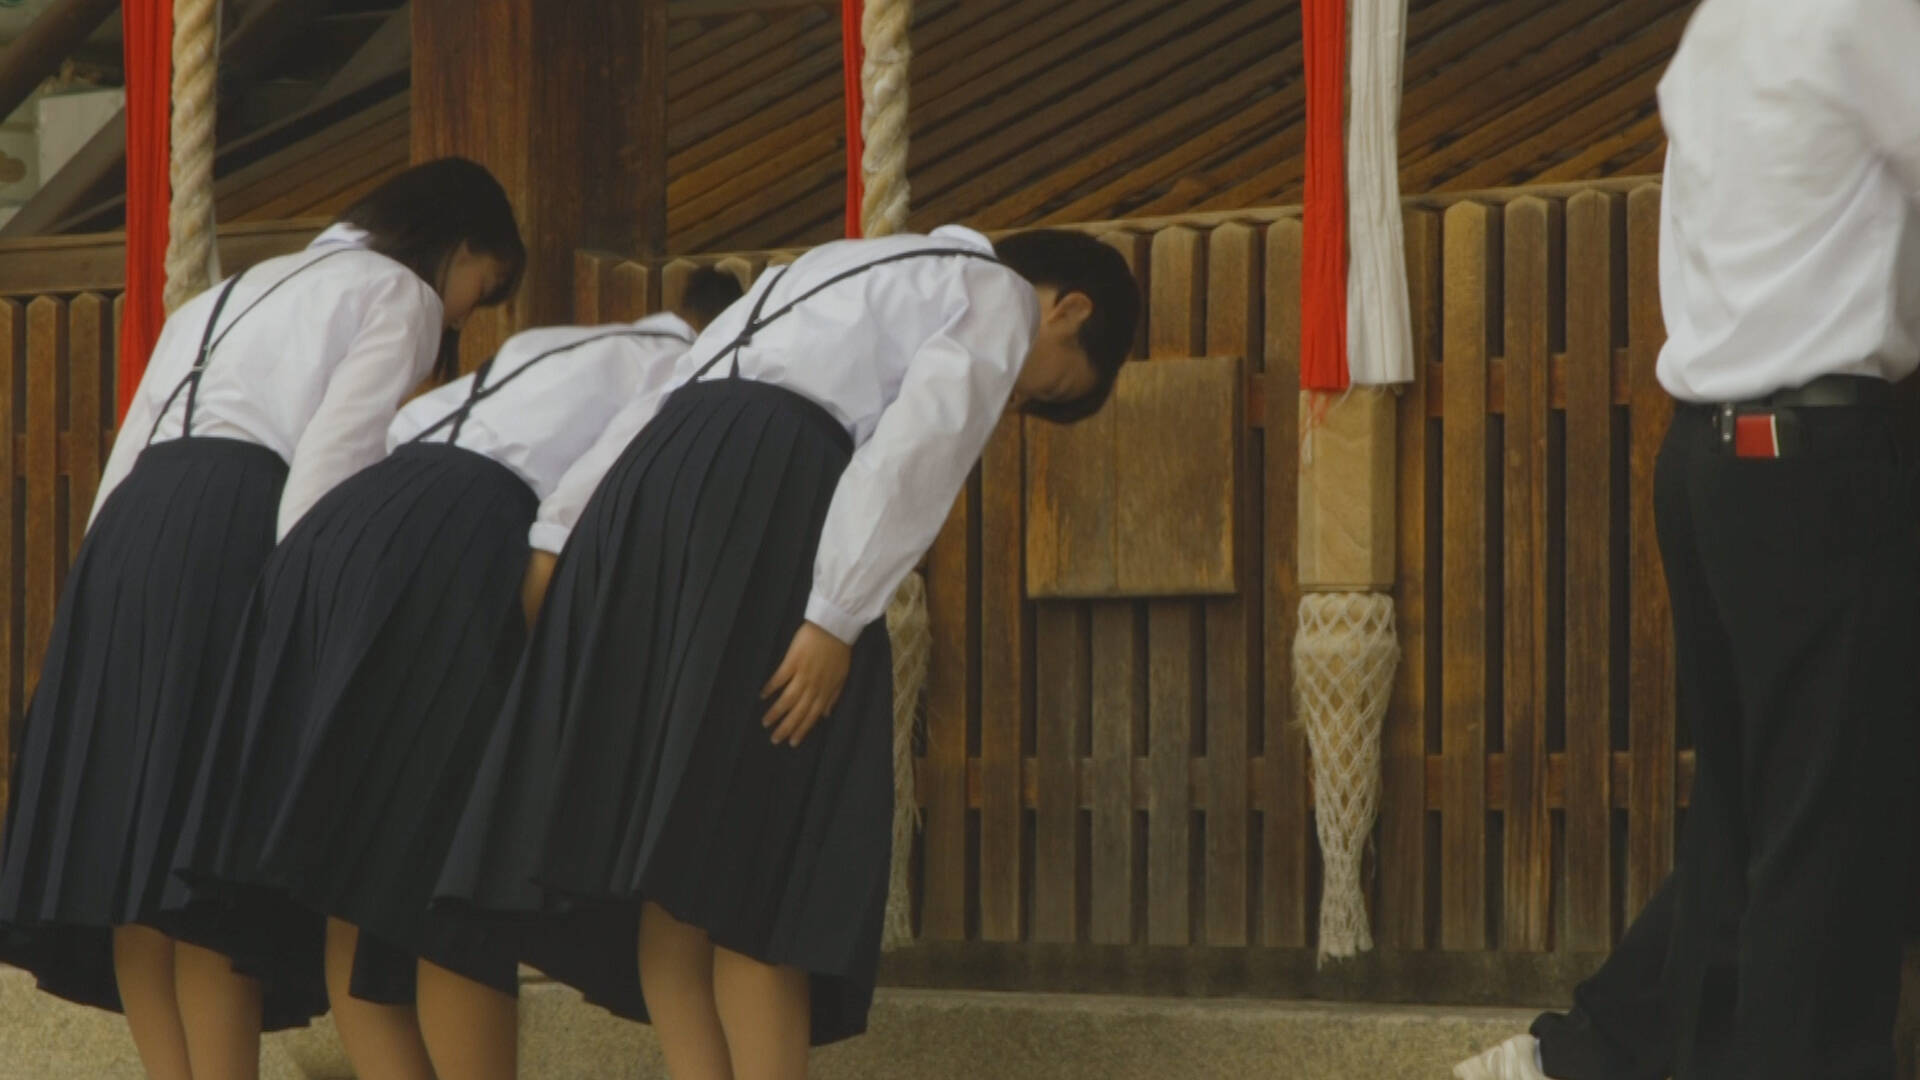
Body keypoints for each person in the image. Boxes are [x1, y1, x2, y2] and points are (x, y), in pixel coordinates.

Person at [435, 226, 1139, 1079]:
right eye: (1043, 385)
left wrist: (560, 537)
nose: (1017, 401)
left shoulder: (820, 267)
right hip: (768, 495)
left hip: (652, 491)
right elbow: (918, 446)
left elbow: (661, 398)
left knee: (676, 851)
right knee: (758, 858)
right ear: (1069, 309)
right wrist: (835, 615)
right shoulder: (995, 290)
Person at [0, 157, 524, 1080]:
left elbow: (129, 450)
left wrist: (98, 587)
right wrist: (310, 613)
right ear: (460, 244)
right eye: (481, 291)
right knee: (203, 866)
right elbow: (331, 463)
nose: (461, 321)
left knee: (136, 861)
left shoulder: (219, 295)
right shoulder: (398, 292)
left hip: (129, 535)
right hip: (239, 528)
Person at [1473, 0, 1920, 1076]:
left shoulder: (1723, 24)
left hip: (1711, 457)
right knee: (1825, 814)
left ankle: (1597, 1056)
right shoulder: (1867, 12)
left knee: (1750, 807)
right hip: (1813, 448)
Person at [162, 268, 745, 1080]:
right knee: (454, 870)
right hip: (463, 532)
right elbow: (601, 479)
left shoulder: (550, 345)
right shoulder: (691, 363)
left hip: (348, 523)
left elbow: (413, 421)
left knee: (357, 862)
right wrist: (543, 580)